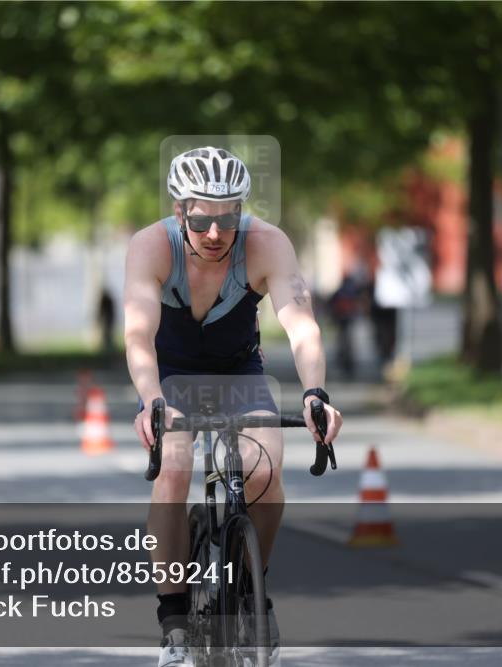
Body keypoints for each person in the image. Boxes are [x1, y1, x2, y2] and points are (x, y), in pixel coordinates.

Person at [123, 147, 343, 667]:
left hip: (238, 370)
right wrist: (152, 401)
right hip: (171, 374)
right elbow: (137, 334)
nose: (216, 233)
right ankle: (174, 622)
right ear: (180, 212)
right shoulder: (151, 246)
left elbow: (302, 326)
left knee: (265, 473)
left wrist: (315, 393)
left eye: (228, 218)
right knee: (173, 470)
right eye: (201, 220)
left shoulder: (267, 244)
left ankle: (249, 588)